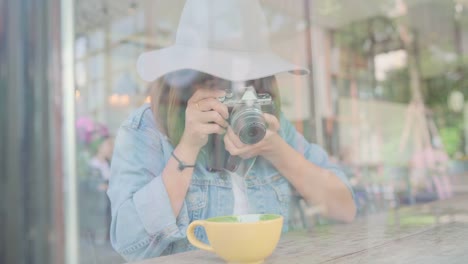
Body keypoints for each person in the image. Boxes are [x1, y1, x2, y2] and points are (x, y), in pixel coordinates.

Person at [107, 0, 356, 261]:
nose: (233, 93)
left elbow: (344, 208)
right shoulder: (146, 131)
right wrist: (188, 147)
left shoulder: (271, 125)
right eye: (215, 79)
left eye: (246, 80)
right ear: (186, 80)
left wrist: (277, 150)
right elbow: (130, 243)